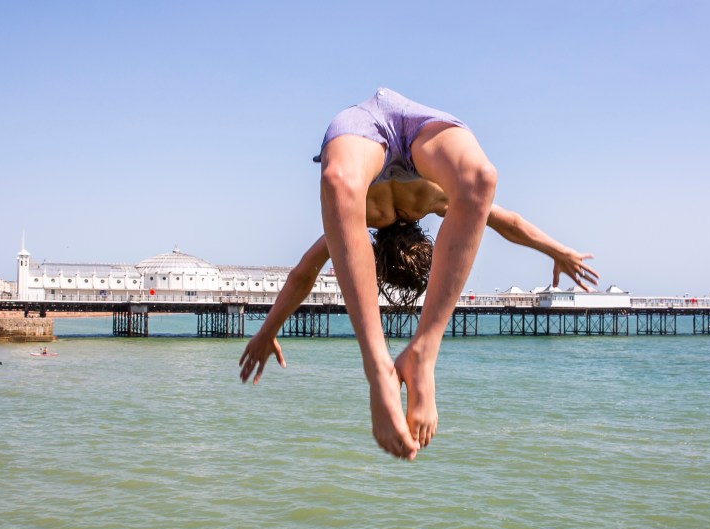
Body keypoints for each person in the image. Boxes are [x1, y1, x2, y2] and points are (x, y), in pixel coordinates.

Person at [239, 89, 598, 460]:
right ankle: (416, 354)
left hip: (373, 131)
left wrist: (269, 329)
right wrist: (556, 249)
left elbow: (303, 273)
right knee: (478, 181)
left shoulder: (397, 208)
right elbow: (509, 223)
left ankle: (384, 366)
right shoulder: (405, 207)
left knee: (345, 184)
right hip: (413, 130)